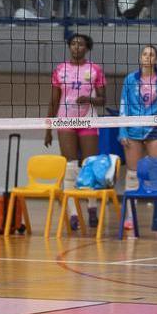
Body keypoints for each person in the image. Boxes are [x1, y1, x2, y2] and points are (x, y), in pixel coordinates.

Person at [45, 33, 106, 230]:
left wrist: (89, 99)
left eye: (80, 44)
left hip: (88, 119)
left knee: (90, 164)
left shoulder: (95, 69)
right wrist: (48, 128)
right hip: (66, 120)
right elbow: (53, 100)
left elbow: (103, 100)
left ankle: (91, 208)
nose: (76, 47)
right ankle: (73, 213)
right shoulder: (60, 69)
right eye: (73, 43)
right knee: (70, 166)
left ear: (87, 48)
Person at [119, 45, 157, 198]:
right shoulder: (130, 79)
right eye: (145, 54)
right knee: (133, 174)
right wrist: (123, 131)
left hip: (155, 129)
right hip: (132, 129)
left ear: (156, 59)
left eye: (152, 55)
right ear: (140, 58)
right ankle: (129, 216)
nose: (148, 57)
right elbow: (124, 105)